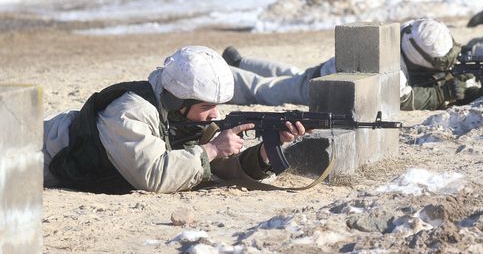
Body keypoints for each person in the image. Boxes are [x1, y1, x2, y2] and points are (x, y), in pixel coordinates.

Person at [43, 46, 306, 194]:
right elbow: (155, 176)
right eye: (207, 107)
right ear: (177, 102)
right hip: (29, 151)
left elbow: (218, 168)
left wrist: (263, 155)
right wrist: (212, 149)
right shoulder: (128, 112)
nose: (214, 115)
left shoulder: (185, 119)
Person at [226, 18, 477, 111]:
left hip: (330, 71)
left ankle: (241, 62)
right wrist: (440, 94)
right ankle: (225, 77)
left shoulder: (408, 33)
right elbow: (401, 99)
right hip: (324, 84)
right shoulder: (395, 69)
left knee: (292, 76)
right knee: (267, 90)